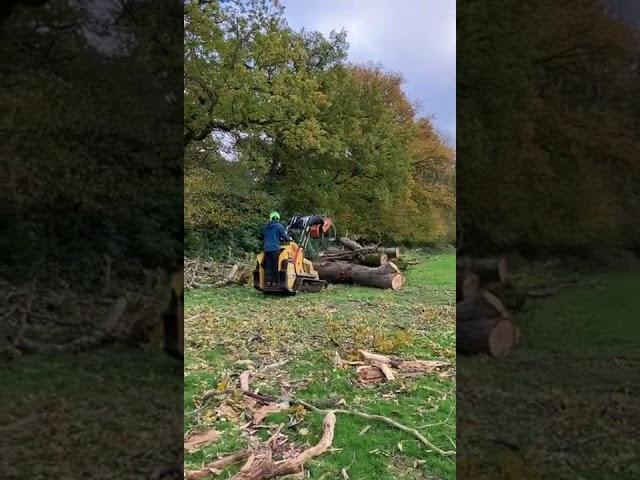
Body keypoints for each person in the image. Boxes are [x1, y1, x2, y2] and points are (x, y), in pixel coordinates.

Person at [262, 211, 292, 287]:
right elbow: (285, 237)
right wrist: (289, 239)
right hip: (275, 248)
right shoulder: (279, 226)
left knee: (268, 265)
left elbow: (264, 236)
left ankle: (268, 282)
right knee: (276, 265)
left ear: (270, 218)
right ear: (278, 218)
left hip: (267, 248)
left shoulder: (266, 226)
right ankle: (275, 282)